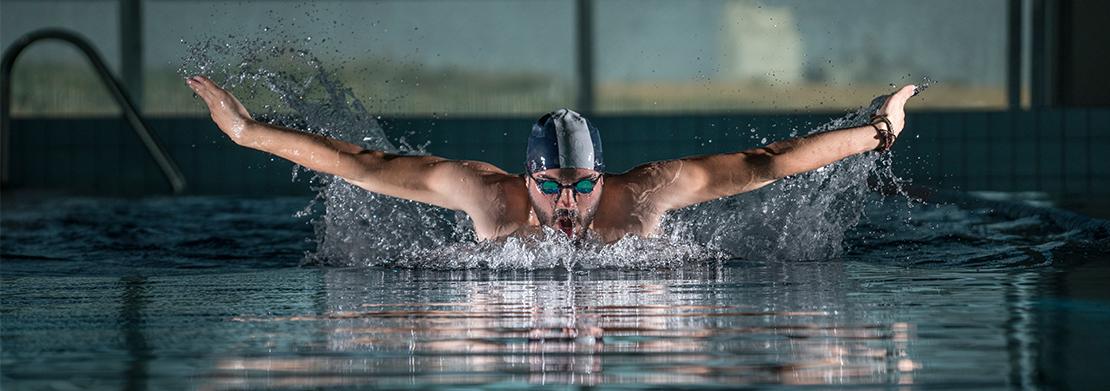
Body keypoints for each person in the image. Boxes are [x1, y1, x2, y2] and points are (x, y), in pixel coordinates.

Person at [186, 75, 917, 243]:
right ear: (525, 177)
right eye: (551, 187)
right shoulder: (487, 197)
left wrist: (880, 132)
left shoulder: (643, 197)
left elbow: (768, 163)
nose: (567, 206)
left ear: (604, 175)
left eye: (582, 186)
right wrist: (247, 133)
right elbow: (362, 164)